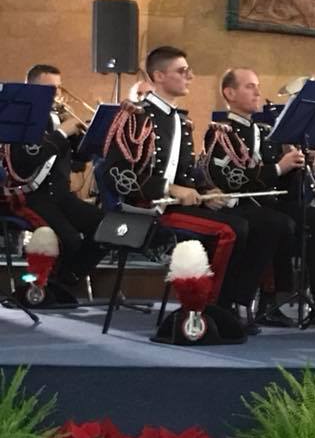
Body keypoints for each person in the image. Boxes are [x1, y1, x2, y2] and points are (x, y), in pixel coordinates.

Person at [99, 47, 262, 332]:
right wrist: (170, 188)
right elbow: (118, 175)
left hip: (173, 205)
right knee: (230, 231)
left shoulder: (180, 120)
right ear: (159, 76)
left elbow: (186, 171)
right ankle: (207, 307)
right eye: (181, 71)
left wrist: (205, 190)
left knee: (247, 223)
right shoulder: (135, 117)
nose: (190, 76)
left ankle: (225, 304)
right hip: (145, 209)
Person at [203, 68, 315, 328]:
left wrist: (296, 164)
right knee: (276, 223)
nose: (258, 91)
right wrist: (280, 167)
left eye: (258, 85)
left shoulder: (266, 133)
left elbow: (279, 183)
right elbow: (231, 178)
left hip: (269, 204)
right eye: (250, 86)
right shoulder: (221, 132)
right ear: (230, 93)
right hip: (238, 205)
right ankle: (247, 301)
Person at [0, 64, 105, 291]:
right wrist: (61, 133)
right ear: (30, 89)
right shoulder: (19, 119)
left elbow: (79, 157)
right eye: (49, 89)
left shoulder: (60, 118)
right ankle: (44, 288)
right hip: (30, 196)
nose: (56, 95)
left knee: (106, 227)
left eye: (58, 89)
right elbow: (25, 161)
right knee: (70, 240)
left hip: (61, 195)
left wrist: (92, 134)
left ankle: (65, 281)